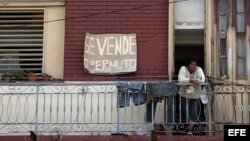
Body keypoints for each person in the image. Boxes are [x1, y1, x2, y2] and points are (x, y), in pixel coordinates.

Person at [178, 58, 205, 135]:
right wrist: (191, 80)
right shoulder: (183, 69)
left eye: (195, 65)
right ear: (188, 66)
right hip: (184, 95)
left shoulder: (199, 69)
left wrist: (197, 81)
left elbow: (202, 79)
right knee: (184, 112)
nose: (194, 66)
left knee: (193, 114)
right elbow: (180, 79)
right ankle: (184, 130)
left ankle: (190, 131)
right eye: (192, 64)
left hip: (194, 95)